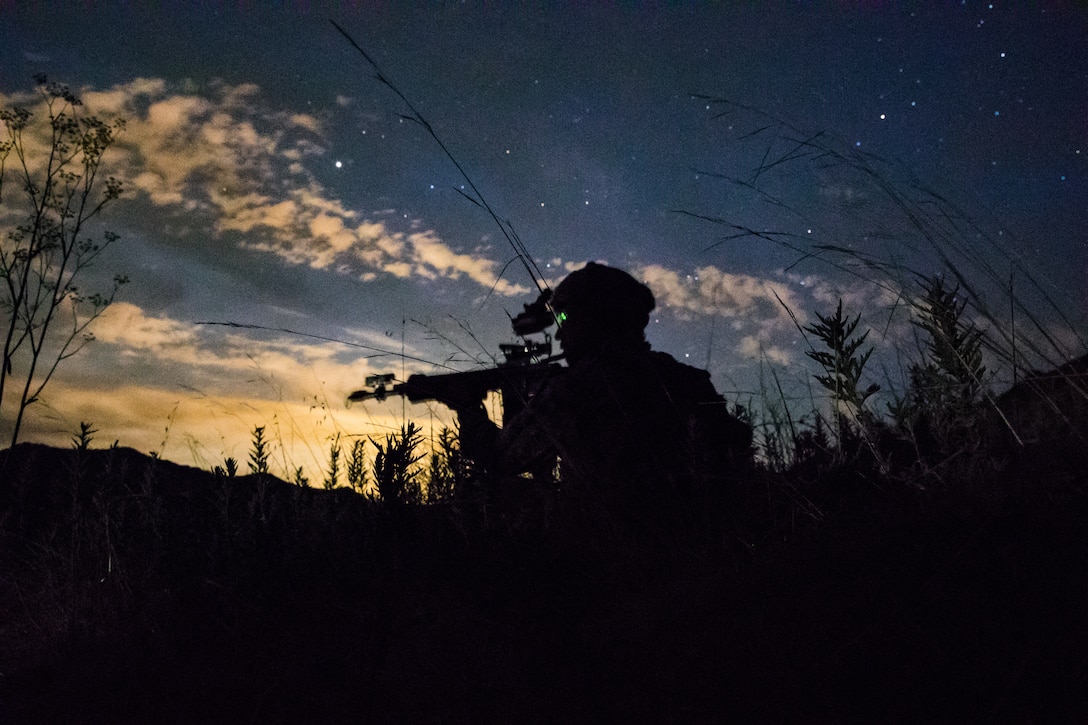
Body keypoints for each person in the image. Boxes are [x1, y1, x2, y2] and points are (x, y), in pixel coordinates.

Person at [452, 262, 752, 503]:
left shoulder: (577, 388)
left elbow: (503, 457)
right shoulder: (688, 379)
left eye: (566, 318)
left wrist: (467, 407)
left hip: (612, 550)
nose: (559, 334)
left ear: (592, 318)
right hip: (700, 545)